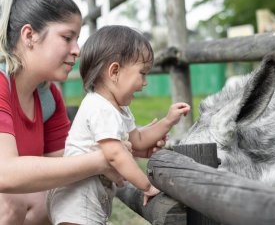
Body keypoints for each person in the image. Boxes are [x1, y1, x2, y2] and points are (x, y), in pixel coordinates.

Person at [0, 0, 166, 224]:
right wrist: (101, 159)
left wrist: (127, 144)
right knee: (13, 200)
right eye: (67, 38)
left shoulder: (48, 97)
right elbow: (5, 173)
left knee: (52, 196)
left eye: (77, 39)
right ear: (29, 36)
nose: (77, 49)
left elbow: (68, 166)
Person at [47, 25, 191, 224]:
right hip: (76, 199)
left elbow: (138, 140)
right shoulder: (100, 107)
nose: (145, 82)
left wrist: (167, 121)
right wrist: (146, 186)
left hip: (88, 199)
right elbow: (115, 154)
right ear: (114, 71)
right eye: (142, 73)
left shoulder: (118, 109)